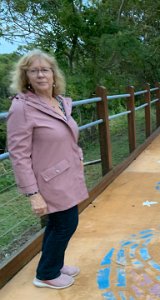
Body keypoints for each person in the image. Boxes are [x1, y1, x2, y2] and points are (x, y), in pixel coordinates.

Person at [7, 49, 88, 289]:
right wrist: (33, 194)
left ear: (53, 74)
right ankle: (46, 274)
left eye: (45, 69)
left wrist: (79, 154)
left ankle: (54, 263)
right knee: (66, 223)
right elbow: (18, 154)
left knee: (57, 224)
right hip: (49, 180)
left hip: (68, 174)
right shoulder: (22, 108)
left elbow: (66, 135)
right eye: (34, 71)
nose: (41, 75)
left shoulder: (61, 102)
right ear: (26, 77)